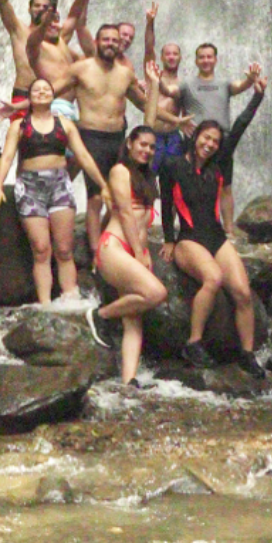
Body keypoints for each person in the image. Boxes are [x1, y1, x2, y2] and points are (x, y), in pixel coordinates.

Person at [27, 5, 146, 264]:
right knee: (95, 198)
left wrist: (164, 104)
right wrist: (23, 106)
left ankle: (109, 236)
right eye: (106, 39)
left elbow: (144, 103)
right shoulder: (81, 68)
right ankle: (96, 254)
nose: (111, 44)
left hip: (118, 139)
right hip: (90, 137)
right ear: (97, 41)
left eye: (115, 40)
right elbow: (51, 90)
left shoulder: (126, 73)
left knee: (120, 195)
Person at [169, 80, 266, 372]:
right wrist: (167, 240)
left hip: (214, 237)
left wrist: (257, 97)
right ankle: (193, 343)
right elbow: (164, 202)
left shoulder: (219, 163)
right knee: (211, 279)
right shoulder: (174, 164)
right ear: (196, 135)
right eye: (206, 138)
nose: (210, 144)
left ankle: (247, 354)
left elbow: (239, 126)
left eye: (215, 141)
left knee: (242, 292)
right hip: (188, 238)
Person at [0, 77, 110, 305]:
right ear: (29, 97)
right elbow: (6, 158)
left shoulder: (65, 124)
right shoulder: (19, 126)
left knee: (64, 249)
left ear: (53, 96)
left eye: (46, 89)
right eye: (37, 89)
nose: (42, 92)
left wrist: (103, 185)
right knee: (41, 250)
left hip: (60, 186)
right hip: (30, 188)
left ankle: (70, 298)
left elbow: (83, 156)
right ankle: (45, 305)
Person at [90, 64, 168, 390]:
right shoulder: (121, 171)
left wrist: (153, 85)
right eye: (142, 145)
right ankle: (100, 316)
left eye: (151, 147)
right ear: (130, 144)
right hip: (115, 248)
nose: (147, 150)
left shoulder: (146, 175)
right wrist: (141, 253)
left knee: (134, 320)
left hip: (129, 249)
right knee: (156, 293)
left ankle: (129, 380)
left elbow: (147, 126)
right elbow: (122, 209)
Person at [177, 42, 261, 235]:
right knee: (188, 184)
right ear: (196, 60)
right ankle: (187, 226)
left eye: (209, 57)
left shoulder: (224, 83)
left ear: (215, 59)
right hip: (195, 141)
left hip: (222, 142)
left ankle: (229, 230)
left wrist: (250, 80)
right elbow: (169, 92)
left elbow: (241, 86)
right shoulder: (187, 84)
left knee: (225, 186)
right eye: (202, 57)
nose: (206, 60)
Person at [0, 0, 54, 104]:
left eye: (45, 6)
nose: (41, 9)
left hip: (47, 96)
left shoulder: (56, 37)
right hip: (23, 91)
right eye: (36, 6)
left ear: (52, 11)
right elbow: (2, 1)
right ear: (29, 9)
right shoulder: (18, 29)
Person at [150, 37, 190, 242]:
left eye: (175, 53)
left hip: (174, 138)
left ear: (181, 57)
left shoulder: (184, 85)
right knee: (145, 183)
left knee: (171, 188)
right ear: (162, 57)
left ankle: (169, 235)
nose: (172, 57)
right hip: (152, 137)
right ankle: (143, 227)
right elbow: (149, 46)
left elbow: (188, 114)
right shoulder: (152, 77)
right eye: (168, 53)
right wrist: (150, 22)